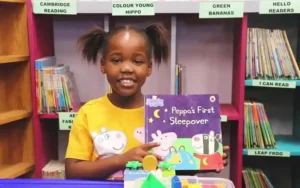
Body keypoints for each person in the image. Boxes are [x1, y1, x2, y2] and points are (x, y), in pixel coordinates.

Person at [65, 22, 230, 180]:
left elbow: (172, 165)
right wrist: (121, 159)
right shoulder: (89, 112)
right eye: (116, 60)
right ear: (103, 65)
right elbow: (72, 171)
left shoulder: (163, 112)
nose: (127, 68)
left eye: (137, 61)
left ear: (149, 67)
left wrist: (203, 162)